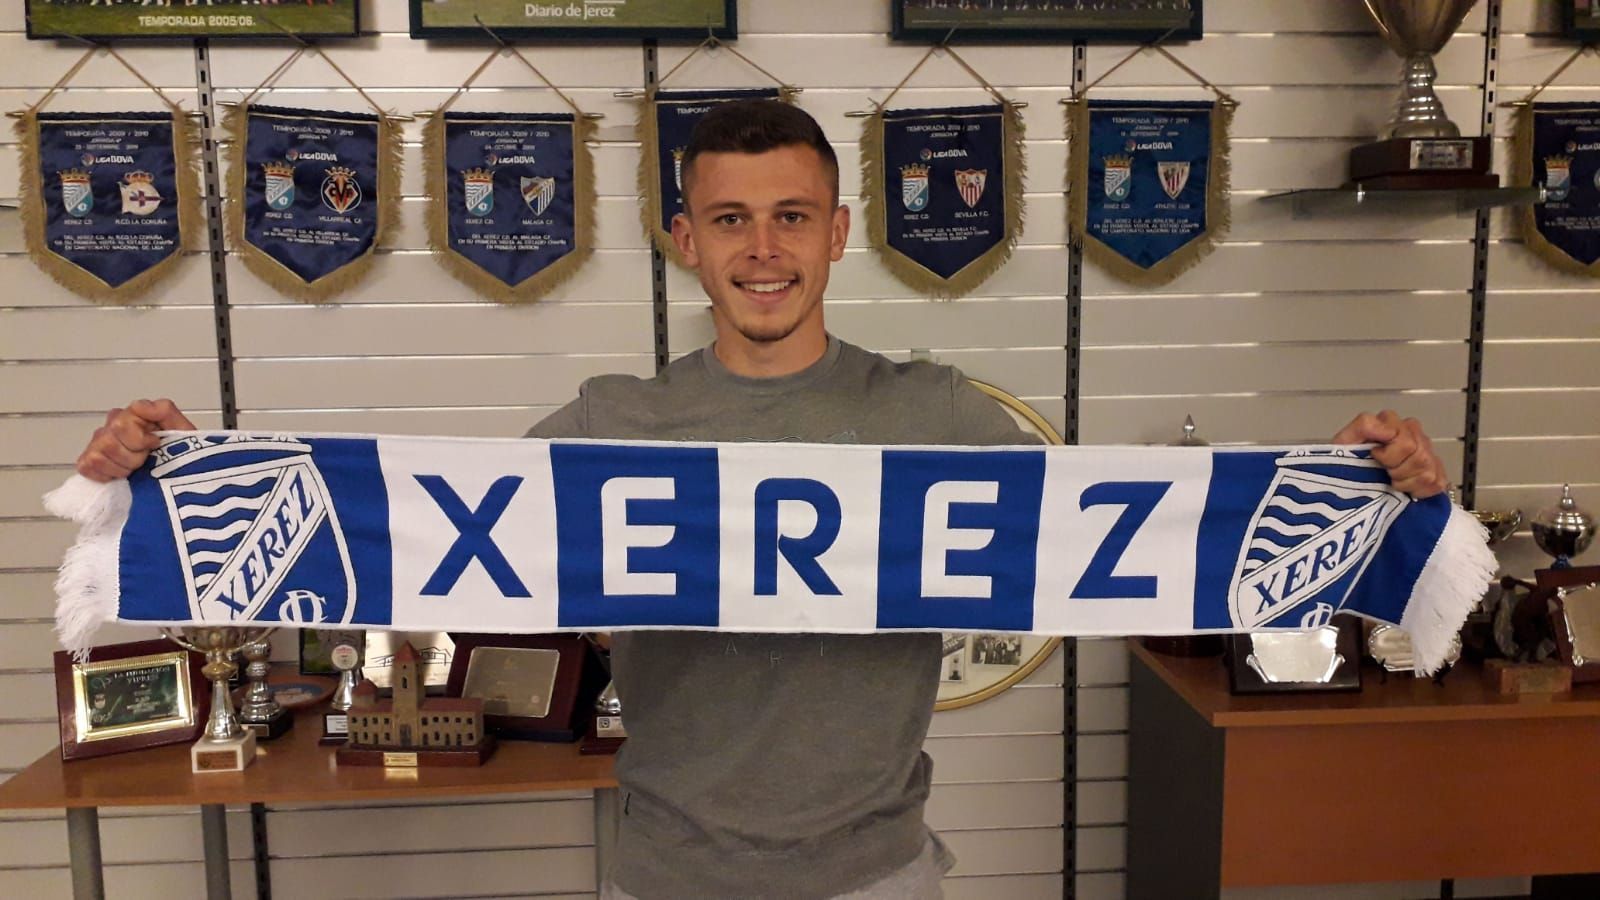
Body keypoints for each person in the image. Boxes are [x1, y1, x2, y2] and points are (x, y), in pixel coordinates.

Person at [75, 101, 1449, 898]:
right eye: (730, 219)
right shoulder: (613, 426)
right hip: (667, 879)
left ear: (839, 232)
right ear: (687, 241)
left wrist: (1340, 493)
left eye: (792, 215)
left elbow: (1149, 544)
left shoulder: (932, 413)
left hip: (881, 877)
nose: (763, 248)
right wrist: (184, 488)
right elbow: (417, 548)